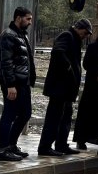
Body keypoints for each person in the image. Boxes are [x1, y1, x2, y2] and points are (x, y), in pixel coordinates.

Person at [37, 19, 90, 156]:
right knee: (54, 118)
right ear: (79, 28)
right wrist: (69, 69)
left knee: (65, 117)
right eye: (85, 32)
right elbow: (58, 52)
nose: (85, 36)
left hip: (67, 89)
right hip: (59, 88)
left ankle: (61, 144)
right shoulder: (67, 35)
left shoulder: (74, 38)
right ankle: (45, 147)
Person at [0, 6, 36, 161]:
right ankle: (3, 150)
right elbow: (5, 62)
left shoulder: (21, 35)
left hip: (23, 82)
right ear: (18, 18)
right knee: (9, 115)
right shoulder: (8, 35)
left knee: (26, 113)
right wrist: (10, 85)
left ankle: (11, 145)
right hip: (13, 84)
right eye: (28, 19)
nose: (30, 22)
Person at [72, 25, 98, 150]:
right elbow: (86, 64)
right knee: (87, 114)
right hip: (92, 87)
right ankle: (81, 140)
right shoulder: (93, 47)